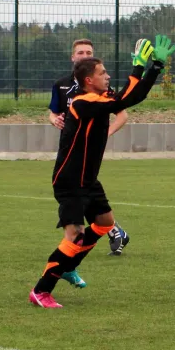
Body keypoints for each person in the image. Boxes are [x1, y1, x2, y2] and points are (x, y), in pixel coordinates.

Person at [29, 35, 175, 308]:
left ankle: (69, 265)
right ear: (88, 80)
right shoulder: (83, 102)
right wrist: (138, 66)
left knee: (106, 223)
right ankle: (41, 291)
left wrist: (155, 65)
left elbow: (133, 96)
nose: (107, 76)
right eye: (102, 73)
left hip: (88, 180)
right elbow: (125, 99)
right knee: (75, 235)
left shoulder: (99, 97)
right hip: (70, 181)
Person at [48, 39, 130, 258]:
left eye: (89, 52)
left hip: (87, 153)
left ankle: (68, 258)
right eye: (81, 52)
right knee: (83, 195)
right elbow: (53, 112)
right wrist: (54, 120)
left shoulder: (99, 86)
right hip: (70, 149)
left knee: (81, 194)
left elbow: (122, 113)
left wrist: (107, 132)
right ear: (72, 57)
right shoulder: (61, 85)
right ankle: (111, 232)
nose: (85, 55)